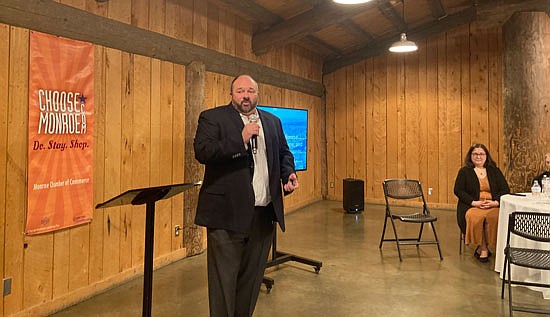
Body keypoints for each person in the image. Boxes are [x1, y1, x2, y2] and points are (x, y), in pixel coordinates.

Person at [193, 74, 299, 317]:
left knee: (250, 283)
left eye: (250, 91)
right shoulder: (213, 118)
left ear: (257, 94)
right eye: (240, 91)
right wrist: (240, 139)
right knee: (224, 285)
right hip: (226, 217)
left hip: (263, 217)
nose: (245, 96)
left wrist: (288, 173)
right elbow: (203, 151)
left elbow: (284, 152)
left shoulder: (272, 122)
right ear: (231, 94)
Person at [454, 144, 510, 262]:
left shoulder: (494, 171)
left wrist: (495, 202)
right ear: (471, 156)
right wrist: (474, 202)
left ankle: (486, 247)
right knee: (477, 217)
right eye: (475, 154)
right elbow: (458, 190)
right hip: (472, 205)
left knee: (495, 217)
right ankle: (483, 248)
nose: (478, 156)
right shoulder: (464, 171)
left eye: (481, 154)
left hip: (492, 204)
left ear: (486, 156)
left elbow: (505, 189)